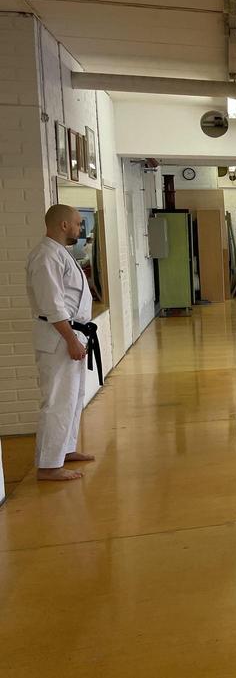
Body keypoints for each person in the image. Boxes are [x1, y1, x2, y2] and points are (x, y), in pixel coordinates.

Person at [25, 204, 99, 481]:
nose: (81, 229)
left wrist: (77, 337)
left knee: (72, 397)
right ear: (64, 225)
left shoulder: (60, 254)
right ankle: (48, 466)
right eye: (78, 224)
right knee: (56, 400)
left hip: (69, 334)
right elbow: (52, 305)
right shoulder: (46, 256)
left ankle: (64, 450)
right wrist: (70, 339)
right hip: (57, 337)